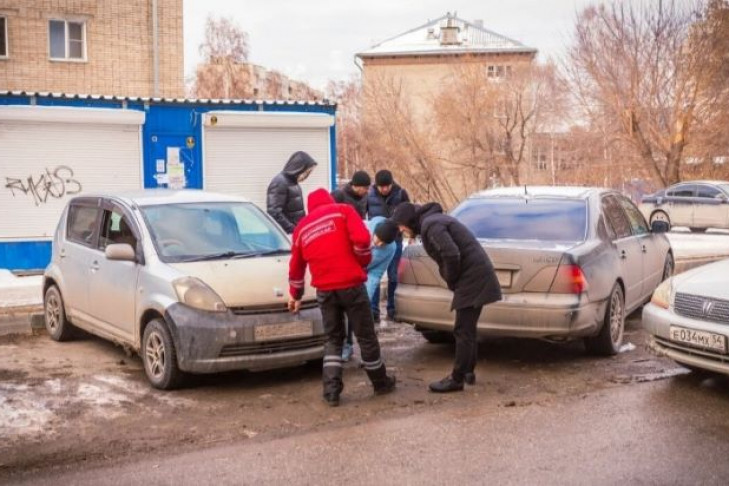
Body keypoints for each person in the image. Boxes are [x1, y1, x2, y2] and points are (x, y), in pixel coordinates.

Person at [288, 188, 396, 407]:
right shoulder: (343, 211)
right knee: (365, 335)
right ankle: (380, 383)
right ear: (328, 201)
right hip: (352, 286)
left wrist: (295, 295)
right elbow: (361, 238)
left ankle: (331, 391)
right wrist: (362, 260)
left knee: (333, 339)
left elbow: (296, 267)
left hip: (325, 291)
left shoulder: (301, 228)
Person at [391, 202, 502, 393]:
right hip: (476, 275)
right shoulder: (434, 221)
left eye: (401, 225)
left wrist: (451, 278)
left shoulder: (431, 225)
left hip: (472, 278)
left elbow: (451, 253)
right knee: (467, 328)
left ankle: (456, 379)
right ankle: (468, 371)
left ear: (409, 221)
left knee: (462, 329)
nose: (401, 229)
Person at [331, 170, 371, 360]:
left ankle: (351, 344)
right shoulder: (339, 195)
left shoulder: (364, 198)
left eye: (367, 188)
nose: (365, 191)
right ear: (354, 185)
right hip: (341, 249)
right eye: (363, 188)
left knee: (354, 305)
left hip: (356, 248)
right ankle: (343, 345)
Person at [367, 170, 410, 323]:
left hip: (395, 240)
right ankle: (373, 311)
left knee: (393, 275)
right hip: (376, 240)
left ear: (392, 183)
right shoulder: (369, 195)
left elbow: (408, 213)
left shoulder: (401, 194)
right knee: (375, 274)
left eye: (387, 186)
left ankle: (392, 309)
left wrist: (410, 235)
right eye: (381, 186)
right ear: (376, 185)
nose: (385, 189)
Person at [266, 151, 317, 234]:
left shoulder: (293, 183)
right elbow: (274, 212)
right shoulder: (279, 182)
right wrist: (293, 230)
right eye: (306, 172)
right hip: (285, 236)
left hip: (295, 233)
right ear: (299, 168)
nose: (307, 176)